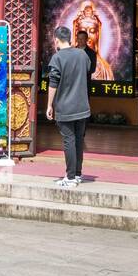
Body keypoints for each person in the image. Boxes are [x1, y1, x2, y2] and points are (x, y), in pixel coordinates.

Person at [46, 25, 94, 187]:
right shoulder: (82, 55)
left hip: (65, 107)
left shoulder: (57, 58)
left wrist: (49, 105)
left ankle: (71, 177)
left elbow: (53, 83)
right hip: (82, 106)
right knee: (79, 140)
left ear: (57, 40)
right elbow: (88, 69)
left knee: (69, 141)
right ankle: (77, 174)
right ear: (71, 38)